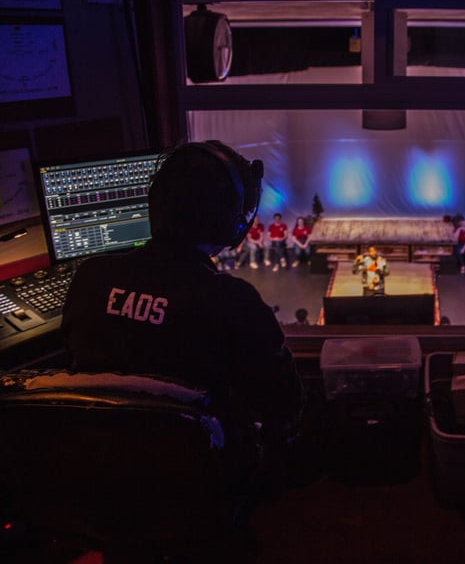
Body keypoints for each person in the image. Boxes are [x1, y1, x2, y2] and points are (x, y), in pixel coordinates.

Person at [62, 141, 304, 455]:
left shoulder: (89, 279)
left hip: (100, 464)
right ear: (235, 225)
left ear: (155, 202)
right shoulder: (234, 303)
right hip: (200, 479)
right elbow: (283, 405)